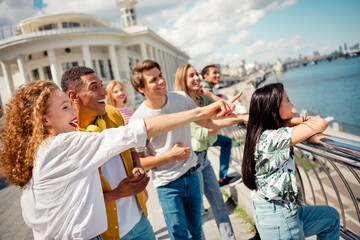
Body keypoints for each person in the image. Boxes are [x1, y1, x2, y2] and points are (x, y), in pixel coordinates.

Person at [0, 80, 238, 240]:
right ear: (44, 120)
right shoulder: (62, 147)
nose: (74, 112)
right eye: (65, 107)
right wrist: (200, 112)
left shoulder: (37, 153)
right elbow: (136, 131)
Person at [129, 60, 241, 240]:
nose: (161, 81)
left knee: (197, 233)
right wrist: (169, 156)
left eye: (160, 76)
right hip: (168, 185)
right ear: (141, 89)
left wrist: (239, 118)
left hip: (193, 175)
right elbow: (140, 162)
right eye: (153, 80)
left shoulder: (181, 98)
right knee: (179, 236)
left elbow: (207, 122)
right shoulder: (137, 120)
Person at [61, 66, 152, 240]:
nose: (104, 92)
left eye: (101, 85)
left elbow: (130, 146)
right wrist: (117, 193)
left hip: (140, 221)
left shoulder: (112, 113)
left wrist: (137, 166)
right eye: (94, 87)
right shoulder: (67, 139)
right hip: (107, 233)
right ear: (74, 96)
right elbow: (76, 204)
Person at [241, 83, 340, 240]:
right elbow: (320, 123)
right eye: (288, 100)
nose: (292, 104)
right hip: (279, 217)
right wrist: (293, 121)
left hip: (282, 211)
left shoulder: (259, 133)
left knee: (331, 218)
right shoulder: (274, 138)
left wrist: (287, 119)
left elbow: (293, 112)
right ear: (274, 111)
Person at [174, 63, 248, 240]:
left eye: (197, 74)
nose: (196, 78)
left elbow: (221, 111)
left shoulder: (201, 99)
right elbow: (202, 133)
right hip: (192, 163)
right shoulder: (183, 105)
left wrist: (213, 97)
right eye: (191, 76)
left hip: (204, 158)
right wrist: (236, 119)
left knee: (219, 205)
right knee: (197, 214)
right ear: (182, 80)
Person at [105, 80, 149, 202]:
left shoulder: (129, 111)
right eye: (115, 91)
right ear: (110, 95)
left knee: (143, 195)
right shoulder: (112, 114)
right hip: (127, 157)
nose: (120, 93)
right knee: (142, 195)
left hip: (137, 154)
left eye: (121, 89)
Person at [201, 64, 241, 189]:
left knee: (226, 142)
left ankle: (222, 178)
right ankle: (222, 178)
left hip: (204, 132)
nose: (218, 75)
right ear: (205, 76)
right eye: (214, 73)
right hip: (204, 132)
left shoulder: (207, 88)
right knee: (227, 142)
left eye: (218, 73)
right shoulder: (205, 86)